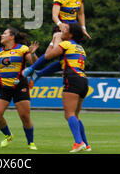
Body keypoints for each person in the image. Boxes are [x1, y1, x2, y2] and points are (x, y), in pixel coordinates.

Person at [0, 28, 39, 150]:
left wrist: (33, 54)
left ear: (12, 37)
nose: (1, 35)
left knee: (25, 116)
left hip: (20, 85)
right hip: (3, 86)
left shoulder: (23, 49)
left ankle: (31, 142)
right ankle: (8, 135)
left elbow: (34, 65)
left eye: (4, 33)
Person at [23, 0, 90, 85]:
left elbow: (81, 13)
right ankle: (31, 69)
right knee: (53, 54)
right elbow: (54, 15)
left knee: (65, 60)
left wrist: (83, 27)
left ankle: (38, 73)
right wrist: (60, 25)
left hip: (73, 31)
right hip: (62, 30)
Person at [44, 23, 91, 153]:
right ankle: (86, 144)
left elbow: (48, 56)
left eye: (65, 30)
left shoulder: (66, 44)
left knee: (69, 114)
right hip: (83, 80)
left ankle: (78, 142)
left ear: (70, 35)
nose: (62, 30)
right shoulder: (80, 48)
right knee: (75, 115)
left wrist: (54, 40)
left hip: (72, 79)